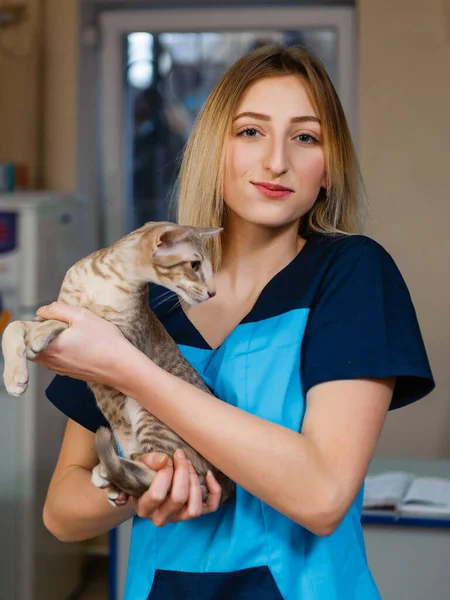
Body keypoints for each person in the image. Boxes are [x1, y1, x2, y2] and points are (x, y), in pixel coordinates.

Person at [40, 45, 434, 600]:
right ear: (213, 149)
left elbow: (321, 496)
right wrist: (138, 488)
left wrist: (129, 369)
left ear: (329, 168)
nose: (276, 161)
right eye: (250, 132)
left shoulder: (351, 274)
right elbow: (61, 509)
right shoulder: (150, 310)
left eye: (306, 137)